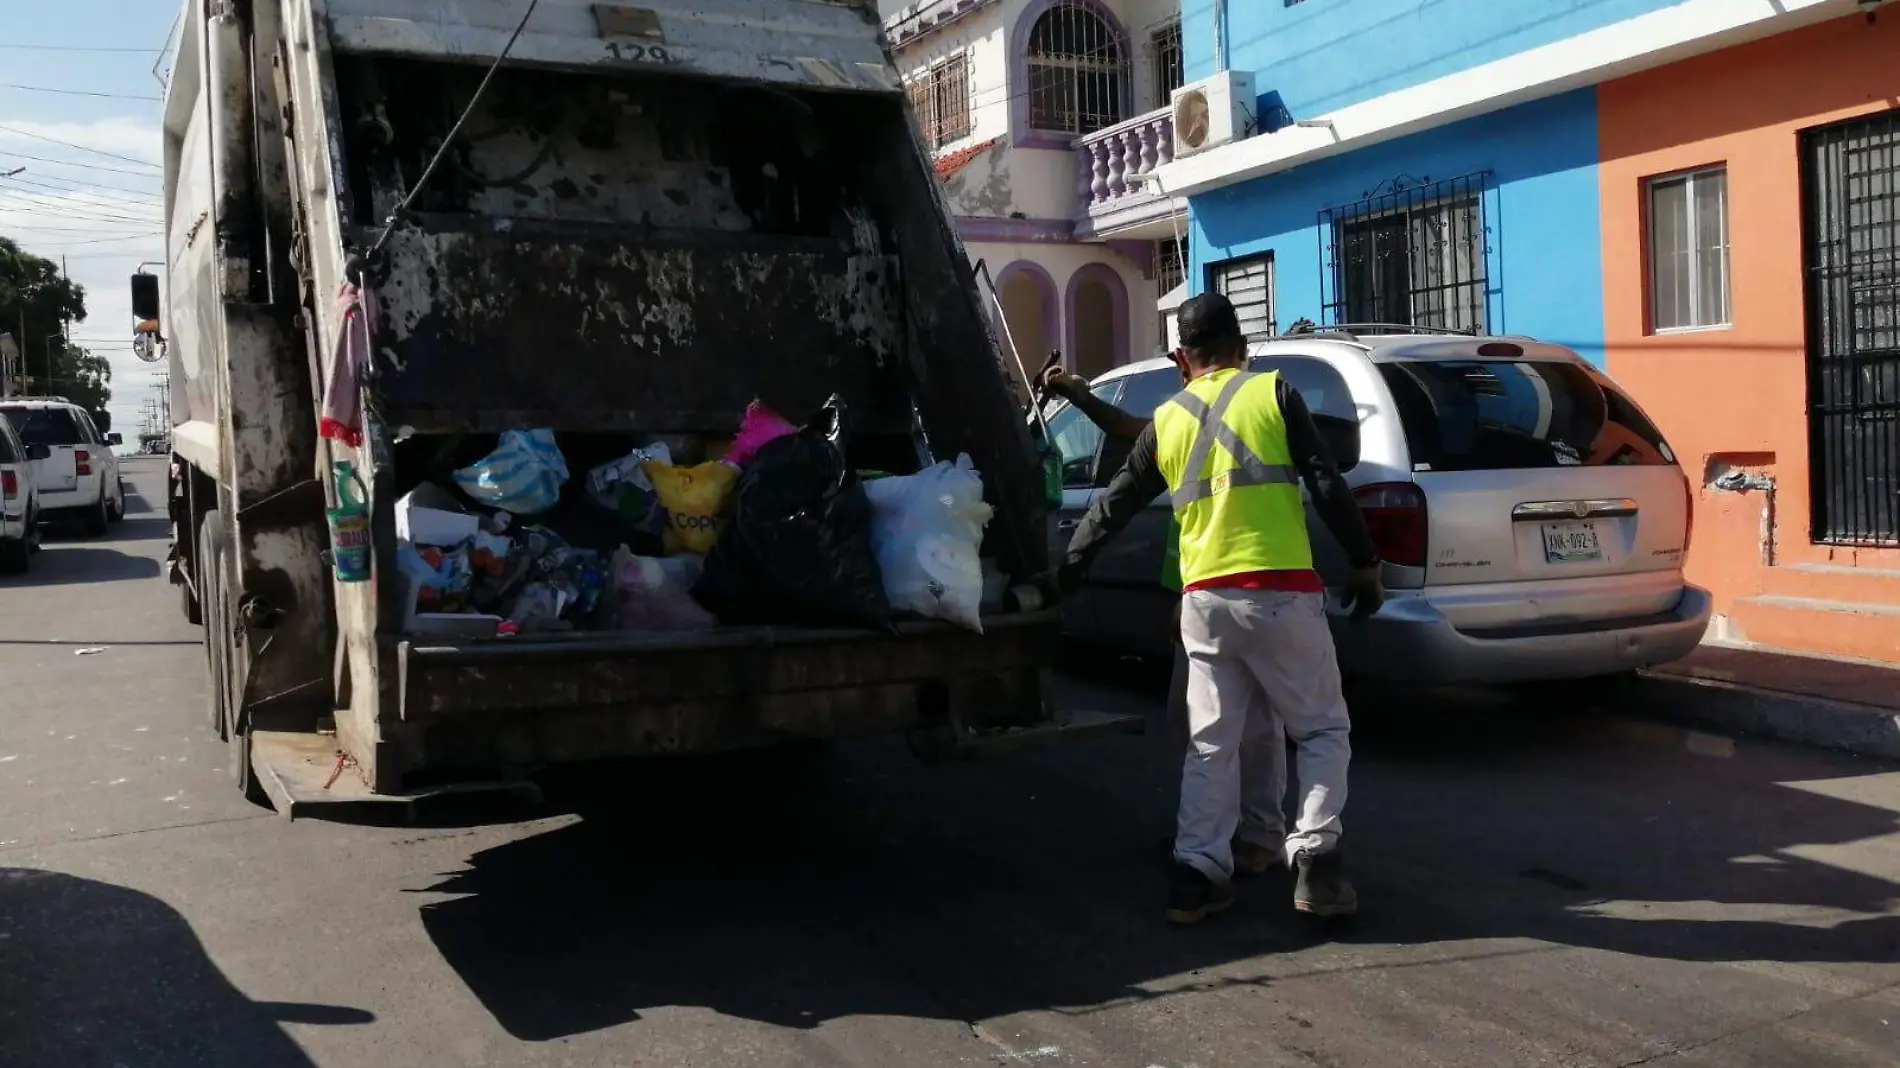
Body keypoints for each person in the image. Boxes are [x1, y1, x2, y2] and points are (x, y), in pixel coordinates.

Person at [1055, 293, 1384, 925]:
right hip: (1280, 591)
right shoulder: (1275, 394)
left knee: (1210, 744)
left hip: (1203, 600)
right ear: (1243, 350)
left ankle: (1197, 874)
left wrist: (1065, 575)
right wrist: (1365, 563)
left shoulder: (1166, 420)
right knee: (1318, 728)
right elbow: (1325, 481)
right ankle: (1314, 861)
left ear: (1182, 358)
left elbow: (1112, 507)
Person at [1035, 362, 1287, 876]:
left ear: (1182, 359)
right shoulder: (1192, 417)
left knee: (1221, 726)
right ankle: (1227, 834)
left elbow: (1125, 483)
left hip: (1224, 591)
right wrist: (1078, 395)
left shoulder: (1227, 414)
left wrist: (1073, 569)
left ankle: (1225, 843)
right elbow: (1129, 430)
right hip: (1214, 594)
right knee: (1223, 723)